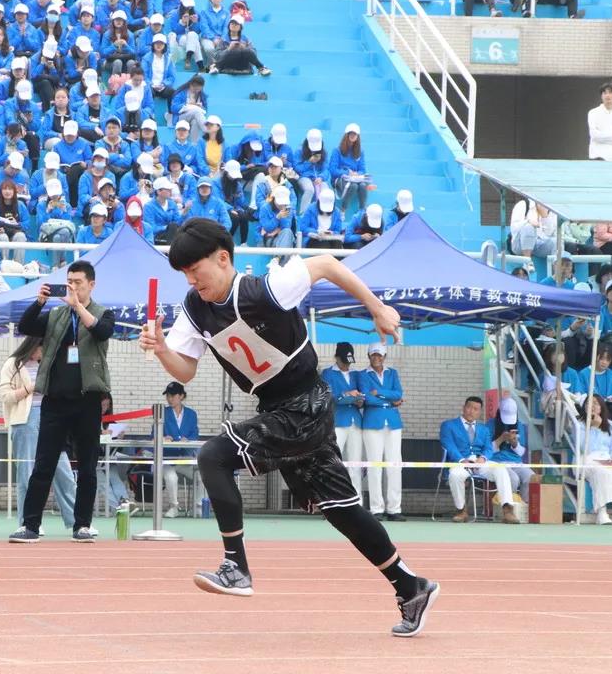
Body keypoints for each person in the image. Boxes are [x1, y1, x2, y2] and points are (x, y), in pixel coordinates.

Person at [139, 218, 438, 637]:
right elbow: (185, 370)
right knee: (342, 510)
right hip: (277, 408)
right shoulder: (194, 309)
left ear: (223, 259)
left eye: (195, 270)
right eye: (184, 274)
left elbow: (327, 264)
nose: (191, 280)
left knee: (213, 456)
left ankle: (236, 567)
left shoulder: (266, 289)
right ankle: (411, 587)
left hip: (306, 404)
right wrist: (161, 349)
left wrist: (377, 308)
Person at [9, 260, 116, 543]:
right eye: (69, 282)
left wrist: (78, 307)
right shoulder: (57, 314)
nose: (73, 287)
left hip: (88, 399)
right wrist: (39, 302)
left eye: (78, 282)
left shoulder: (103, 313)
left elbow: (102, 332)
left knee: (88, 465)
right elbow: (26, 326)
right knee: (43, 463)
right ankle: (30, 525)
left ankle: (82, 524)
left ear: (91, 284)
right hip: (54, 400)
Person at [0, 336, 78, 533]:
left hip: (52, 418)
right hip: (25, 420)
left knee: (64, 471)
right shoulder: (13, 364)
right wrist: (32, 388)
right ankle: (29, 522)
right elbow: (6, 396)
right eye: (43, 348)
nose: (44, 353)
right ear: (34, 346)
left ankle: (78, 521)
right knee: (26, 474)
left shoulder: (50, 362)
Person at [439, 396, 520, 524]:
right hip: (460, 462)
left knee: (500, 469)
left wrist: (483, 458)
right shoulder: (448, 425)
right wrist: (461, 460)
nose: (471, 411)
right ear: (463, 408)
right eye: (469, 407)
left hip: (479, 462)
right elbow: (449, 445)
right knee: (455, 475)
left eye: (476, 409)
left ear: (480, 412)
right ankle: (461, 510)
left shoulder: (484, 429)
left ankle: (508, 510)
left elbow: (488, 448)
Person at [358, 343, 406, 522]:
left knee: (395, 466)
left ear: (384, 356)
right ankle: (376, 508)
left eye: (379, 355)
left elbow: (398, 394)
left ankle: (394, 508)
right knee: (374, 466)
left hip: (393, 423)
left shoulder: (392, 373)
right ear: (368, 356)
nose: (376, 358)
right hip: (372, 423)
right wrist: (389, 400)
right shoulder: (363, 374)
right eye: (373, 355)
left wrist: (379, 392)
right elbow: (367, 398)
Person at [322, 342, 364, 493]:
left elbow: (362, 394)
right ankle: (332, 497)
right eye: (344, 361)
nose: (347, 365)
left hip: (355, 421)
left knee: (355, 463)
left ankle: (356, 500)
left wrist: (360, 401)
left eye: (349, 362)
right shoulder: (327, 374)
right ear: (336, 357)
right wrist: (346, 394)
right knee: (333, 461)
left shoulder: (356, 374)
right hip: (337, 422)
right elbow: (326, 397)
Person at [577, 395, 612, 524]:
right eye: (589, 403)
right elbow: (583, 447)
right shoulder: (579, 425)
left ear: (601, 407)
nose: (592, 406)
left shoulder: (611, 425)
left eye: (596, 403)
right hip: (587, 459)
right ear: (584, 407)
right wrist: (594, 428)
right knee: (601, 472)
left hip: (606, 458)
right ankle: (601, 513)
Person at [160, 381, 199, 518]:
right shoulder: (162, 413)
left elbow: (195, 434)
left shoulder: (191, 414)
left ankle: (199, 506)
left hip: (185, 459)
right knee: (171, 477)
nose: (169, 399)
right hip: (167, 460)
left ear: (181, 396)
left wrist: (187, 440)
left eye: (172, 395)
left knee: (202, 475)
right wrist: (163, 437)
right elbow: (153, 435)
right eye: (168, 396)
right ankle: (174, 507)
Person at [491, 397, 535, 508]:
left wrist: (514, 443)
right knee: (513, 479)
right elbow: (487, 451)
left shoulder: (519, 425)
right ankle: (509, 508)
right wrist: (501, 439)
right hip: (497, 462)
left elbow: (521, 452)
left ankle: (523, 507)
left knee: (530, 477)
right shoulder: (490, 425)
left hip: (516, 462)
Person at [588, 83, 612, 162]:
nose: (608, 96)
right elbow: (594, 135)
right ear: (601, 96)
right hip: (596, 157)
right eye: (605, 93)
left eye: (610, 93)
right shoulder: (593, 113)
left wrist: (601, 137)